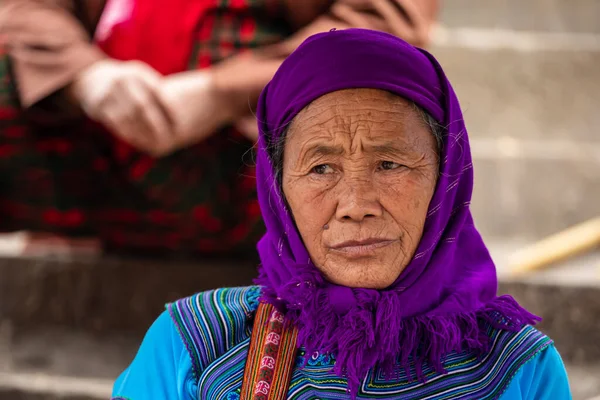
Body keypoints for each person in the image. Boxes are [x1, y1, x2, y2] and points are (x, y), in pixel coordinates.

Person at [111, 29, 571, 399]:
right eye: (321, 168)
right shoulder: (195, 346)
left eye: (389, 164)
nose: (355, 206)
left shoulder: (520, 368)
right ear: (278, 189)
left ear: (446, 175)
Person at [0, 0, 438, 256]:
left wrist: (220, 92)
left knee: (348, 87)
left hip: (245, 162)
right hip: (99, 143)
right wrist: (88, 79)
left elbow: (384, 25)